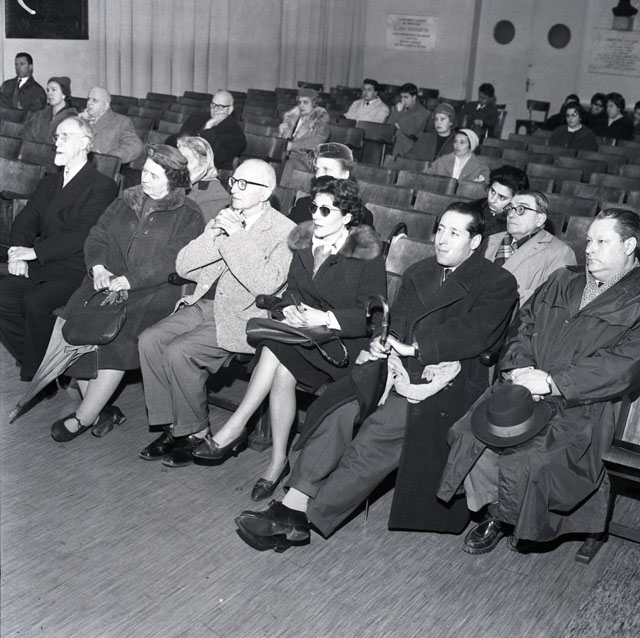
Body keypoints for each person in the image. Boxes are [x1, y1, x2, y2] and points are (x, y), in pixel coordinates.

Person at [234, 203, 519, 552]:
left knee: (379, 430)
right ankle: (294, 500)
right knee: (340, 407)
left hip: (449, 377)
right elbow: (397, 319)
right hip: (397, 363)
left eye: (454, 233)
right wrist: (384, 341)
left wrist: (416, 347)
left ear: (475, 242)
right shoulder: (420, 270)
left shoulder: (497, 282)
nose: (442, 240)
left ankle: (307, 515)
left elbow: (475, 333)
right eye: (441, 230)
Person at [437, 208, 640, 554]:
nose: (589, 248)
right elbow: (523, 325)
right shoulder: (563, 279)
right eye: (589, 240)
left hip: (582, 402)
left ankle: (511, 520)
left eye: (601, 242)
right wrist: (518, 368)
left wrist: (551, 382)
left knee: (532, 457)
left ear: (629, 246)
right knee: (471, 433)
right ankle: (495, 511)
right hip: (523, 385)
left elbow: (622, 366)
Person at [192, 178, 386, 497]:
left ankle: (238, 427)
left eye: (326, 210)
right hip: (303, 335)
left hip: (342, 344)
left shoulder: (367, 252)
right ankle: (277, 460)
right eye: (314, 208)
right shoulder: (304, 241)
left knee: (276, 352)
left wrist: (325, 318)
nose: (316, 215)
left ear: (348, 217)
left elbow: (372, 314)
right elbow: (292, 291)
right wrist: (291, 310)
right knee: (281, 366)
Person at [137, 159, 295, 467]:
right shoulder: (226, 216)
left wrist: (236, 238)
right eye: (234, 181)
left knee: (180, 352)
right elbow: (184, 265)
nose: (235, 189)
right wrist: (216, 235)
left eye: (244, 184)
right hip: (203, 303)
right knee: (149, 341)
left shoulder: (284, 232)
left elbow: (265, 284)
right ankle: (175, 427)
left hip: (241, 315)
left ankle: (194, 433)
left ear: (266, 192)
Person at [48, 144, 204, 442]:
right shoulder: (126, 199)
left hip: (153, 290)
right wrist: (98, 268)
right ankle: (100, 409)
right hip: (106, 280)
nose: (145, 179)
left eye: (154, 175)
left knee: (115, 337)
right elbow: (97, 235)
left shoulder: (188, 213)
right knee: (75, 322)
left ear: (173, 179)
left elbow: (172, 258)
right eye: (145, 171)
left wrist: (130, 280)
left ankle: (84, 417)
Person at [0, 117, 118, 383]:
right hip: (43, 262)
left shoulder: (102, 185)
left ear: (85, 144)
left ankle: (40, 373)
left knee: (35, 302)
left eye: (65, 137)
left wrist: (33, 253)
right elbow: (27, 219)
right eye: (57, 137)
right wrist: (17, 251)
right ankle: (42, 363)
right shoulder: (49, 182)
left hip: (76, 267)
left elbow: (81, 234)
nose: (58, 143)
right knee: (4, 295)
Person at [484, 191, 576, 305]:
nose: (511, 214)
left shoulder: (560, 252)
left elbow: (555, 300)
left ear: (540, 219)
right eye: (510, 208)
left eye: (521, 209)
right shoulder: (491, 240)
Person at [288, 142, 373, 227]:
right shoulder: (303, 205)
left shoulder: (360, 217)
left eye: (326, 169)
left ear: (345, 174)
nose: (319, 175)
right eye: (317, 169)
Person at [167, 90, 246, 170]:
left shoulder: (236, 134)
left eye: (220, 107)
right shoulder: (198, 116)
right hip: (180, 161)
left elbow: (217, 157)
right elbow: (180, 137)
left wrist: (208, 129)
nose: (215, 110)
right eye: (213, 105)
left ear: (230, 109)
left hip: (206, 170)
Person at [78, 86, 144, 163]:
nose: (89, 103)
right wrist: (78, 122)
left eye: (95, 100)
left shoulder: (121, 121)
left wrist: (109, 158)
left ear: (106, 105)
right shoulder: (81, 119)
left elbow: (134, 146)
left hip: (100, 166)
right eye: (88, 99)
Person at [176, 136, 229, 223]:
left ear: (204, 165)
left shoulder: (216, 194)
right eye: (178, 159)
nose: (179, 165)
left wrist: (187, 185)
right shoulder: (170, 181)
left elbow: (190, 224)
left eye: (186, 160)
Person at [278, 88, 330, 171]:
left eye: (305, 102)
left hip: (305, 161)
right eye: (299, 102)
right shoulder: (292, 118)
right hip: (285, 156)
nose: (301, 105)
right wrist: (281, 133)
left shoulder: (321, 123)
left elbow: (316, 142)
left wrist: (292, 146)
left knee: (288, 165)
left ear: (314, 103)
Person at [471, 165, 530, 236]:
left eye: (501, 197)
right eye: (492, 191)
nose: (492, 200)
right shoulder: (473, 208)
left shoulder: (519, 225)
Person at [18, 76, 77, 145]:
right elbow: (24, 133)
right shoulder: (40, 115)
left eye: (53, 90)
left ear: (64, 94)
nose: (49, 94)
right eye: (48, 90)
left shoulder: (72, 118)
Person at [387, 83, 430, 158]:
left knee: (400, 137)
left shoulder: (423, 112)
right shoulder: (399, 108)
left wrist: (400, 113)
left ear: (414, 97)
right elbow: (389, 125)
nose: (403, 101)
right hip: (395, 141)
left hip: (410, 145)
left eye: (406, 97)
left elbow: (410, 130)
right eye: (401, 97)